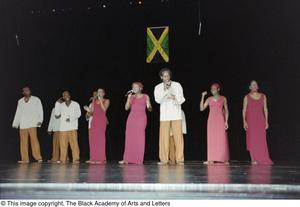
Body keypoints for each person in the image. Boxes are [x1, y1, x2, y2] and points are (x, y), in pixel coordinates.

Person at [154, 68, 185, 165]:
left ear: (170, 76)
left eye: (168, 75)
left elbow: (182, 99)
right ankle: (164, 159)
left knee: (178, 138)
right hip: (164, 115)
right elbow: (158, 100)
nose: (166, 77)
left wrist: (174, 97)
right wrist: (166, 92)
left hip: (176, 114)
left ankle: (180, 159)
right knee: (164, 138)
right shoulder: (158, 87)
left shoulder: (177, 85)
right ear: (161, 77)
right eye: (164, 75)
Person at [119, 82, 152, 164]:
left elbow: (150, 109)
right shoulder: (131, 97)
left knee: (140, 138)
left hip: (141, 119)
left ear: (140, 88)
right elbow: (126, 108)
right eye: (133, 87)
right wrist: (128, 98)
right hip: (131, 119)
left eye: (136, 87)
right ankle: (126, 159)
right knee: (129, 138)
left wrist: (149, 106)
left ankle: (138, 159)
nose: (134, 88)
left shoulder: (145, 96)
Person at [242, 80, 273, 165]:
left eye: (255, 84)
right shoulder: (246, 97)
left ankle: (263, 157)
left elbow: (265, 109)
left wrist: (266, 121)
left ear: (258, 86)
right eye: (252, 85)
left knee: (261, 139)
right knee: (252, 139)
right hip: (250, 121)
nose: (254, 86)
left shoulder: (263, 96)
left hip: (260, 120)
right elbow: (244, 110)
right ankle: (253, 158)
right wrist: (244, 121)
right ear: (250, 87)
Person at [12, 86, 43, 164]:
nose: (26, 91)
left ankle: (38, 158)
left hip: (32, 123)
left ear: (30, 91)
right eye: (24, 90)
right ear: (23, 92)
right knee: (23, 142)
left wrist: (40, 121)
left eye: (27, 90)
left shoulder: (36, 99)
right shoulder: (20, 101)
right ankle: (25, 159)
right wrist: (15, 123)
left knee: (34, 141)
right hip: (23, 124)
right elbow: (18, 112)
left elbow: (40, 110)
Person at [200, 83, 229, 165]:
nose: (212, 90)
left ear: (218, 89)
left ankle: (222, 158)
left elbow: (226, 110)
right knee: (211, 139)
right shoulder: (209, 99)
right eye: (211, 88)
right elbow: (201, 108)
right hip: (211, 121)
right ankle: (211, 158)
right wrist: (202, 96)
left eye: (214, 88)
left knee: (221, 139)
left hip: (220, 120)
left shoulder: (223, 98)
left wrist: (226, 121)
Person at [84, 88, 110, 164]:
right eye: (98, 92)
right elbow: (92, 113)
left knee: (101, 139)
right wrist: (88, 110)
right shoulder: (94, 101)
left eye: (100, 92)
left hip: (101, 121)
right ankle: (93, 158)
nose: (99, 93)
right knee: (93, 139)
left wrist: (100, 100)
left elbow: (104, 109)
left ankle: (101, 158)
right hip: (94, 121)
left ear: (103, 94)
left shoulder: (107, 100)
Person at [55, 91, 81, 164]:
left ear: (70, 95)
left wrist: (71, 118)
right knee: (63, 145)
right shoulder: (61, 105)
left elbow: (79, 114)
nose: (66, 96)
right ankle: (62, 159)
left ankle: (76, 159)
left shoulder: (75, 104)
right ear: (62, 97)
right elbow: (56, 115)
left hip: (72, 127)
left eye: (67, 94)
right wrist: (57, 104)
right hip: (63, 128)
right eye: (64, 95)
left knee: (74, 144)